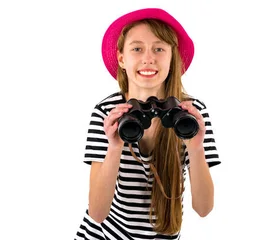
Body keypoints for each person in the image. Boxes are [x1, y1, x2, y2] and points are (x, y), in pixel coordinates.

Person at [74, 7, 221, 240]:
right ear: (122, 58)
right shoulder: (106, 113)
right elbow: (97, 213)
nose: (148, 58)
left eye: (159, 48)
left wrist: (195, 147)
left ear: (173, 58)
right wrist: (114, 147)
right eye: (137, 49)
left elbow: (203, 209)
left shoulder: (192, 113)